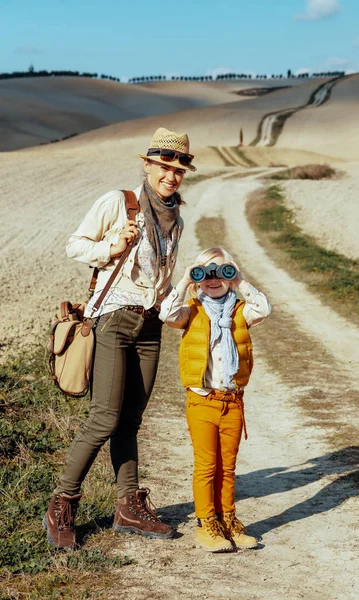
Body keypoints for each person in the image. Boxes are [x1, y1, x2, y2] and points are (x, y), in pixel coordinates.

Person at [43, 127, 197, 550]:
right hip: (112, 321)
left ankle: (128, 506)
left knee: (130, 421)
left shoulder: (176, 220)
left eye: (179, 169)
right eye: (164, 167)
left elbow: (159, 279)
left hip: (149, 327)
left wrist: (175, 304)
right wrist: (111, 247)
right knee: (104, 418)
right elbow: (76, 245)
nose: (171, 176)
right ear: (147, 165)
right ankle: (62, 503)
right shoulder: (120, 202)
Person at [159, 247, 272, 552]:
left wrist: (240, 282)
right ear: (197, 278)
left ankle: (227, 519)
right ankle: (206, 523)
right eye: (205, 273)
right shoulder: (191, 311)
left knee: (228, 467)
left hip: (232, 402)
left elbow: (264, 308)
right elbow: (166, 313)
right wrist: (183, 282)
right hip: (202, 402)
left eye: (221, 272)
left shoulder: (240, 312)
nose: (213, 279)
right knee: (207, 465)